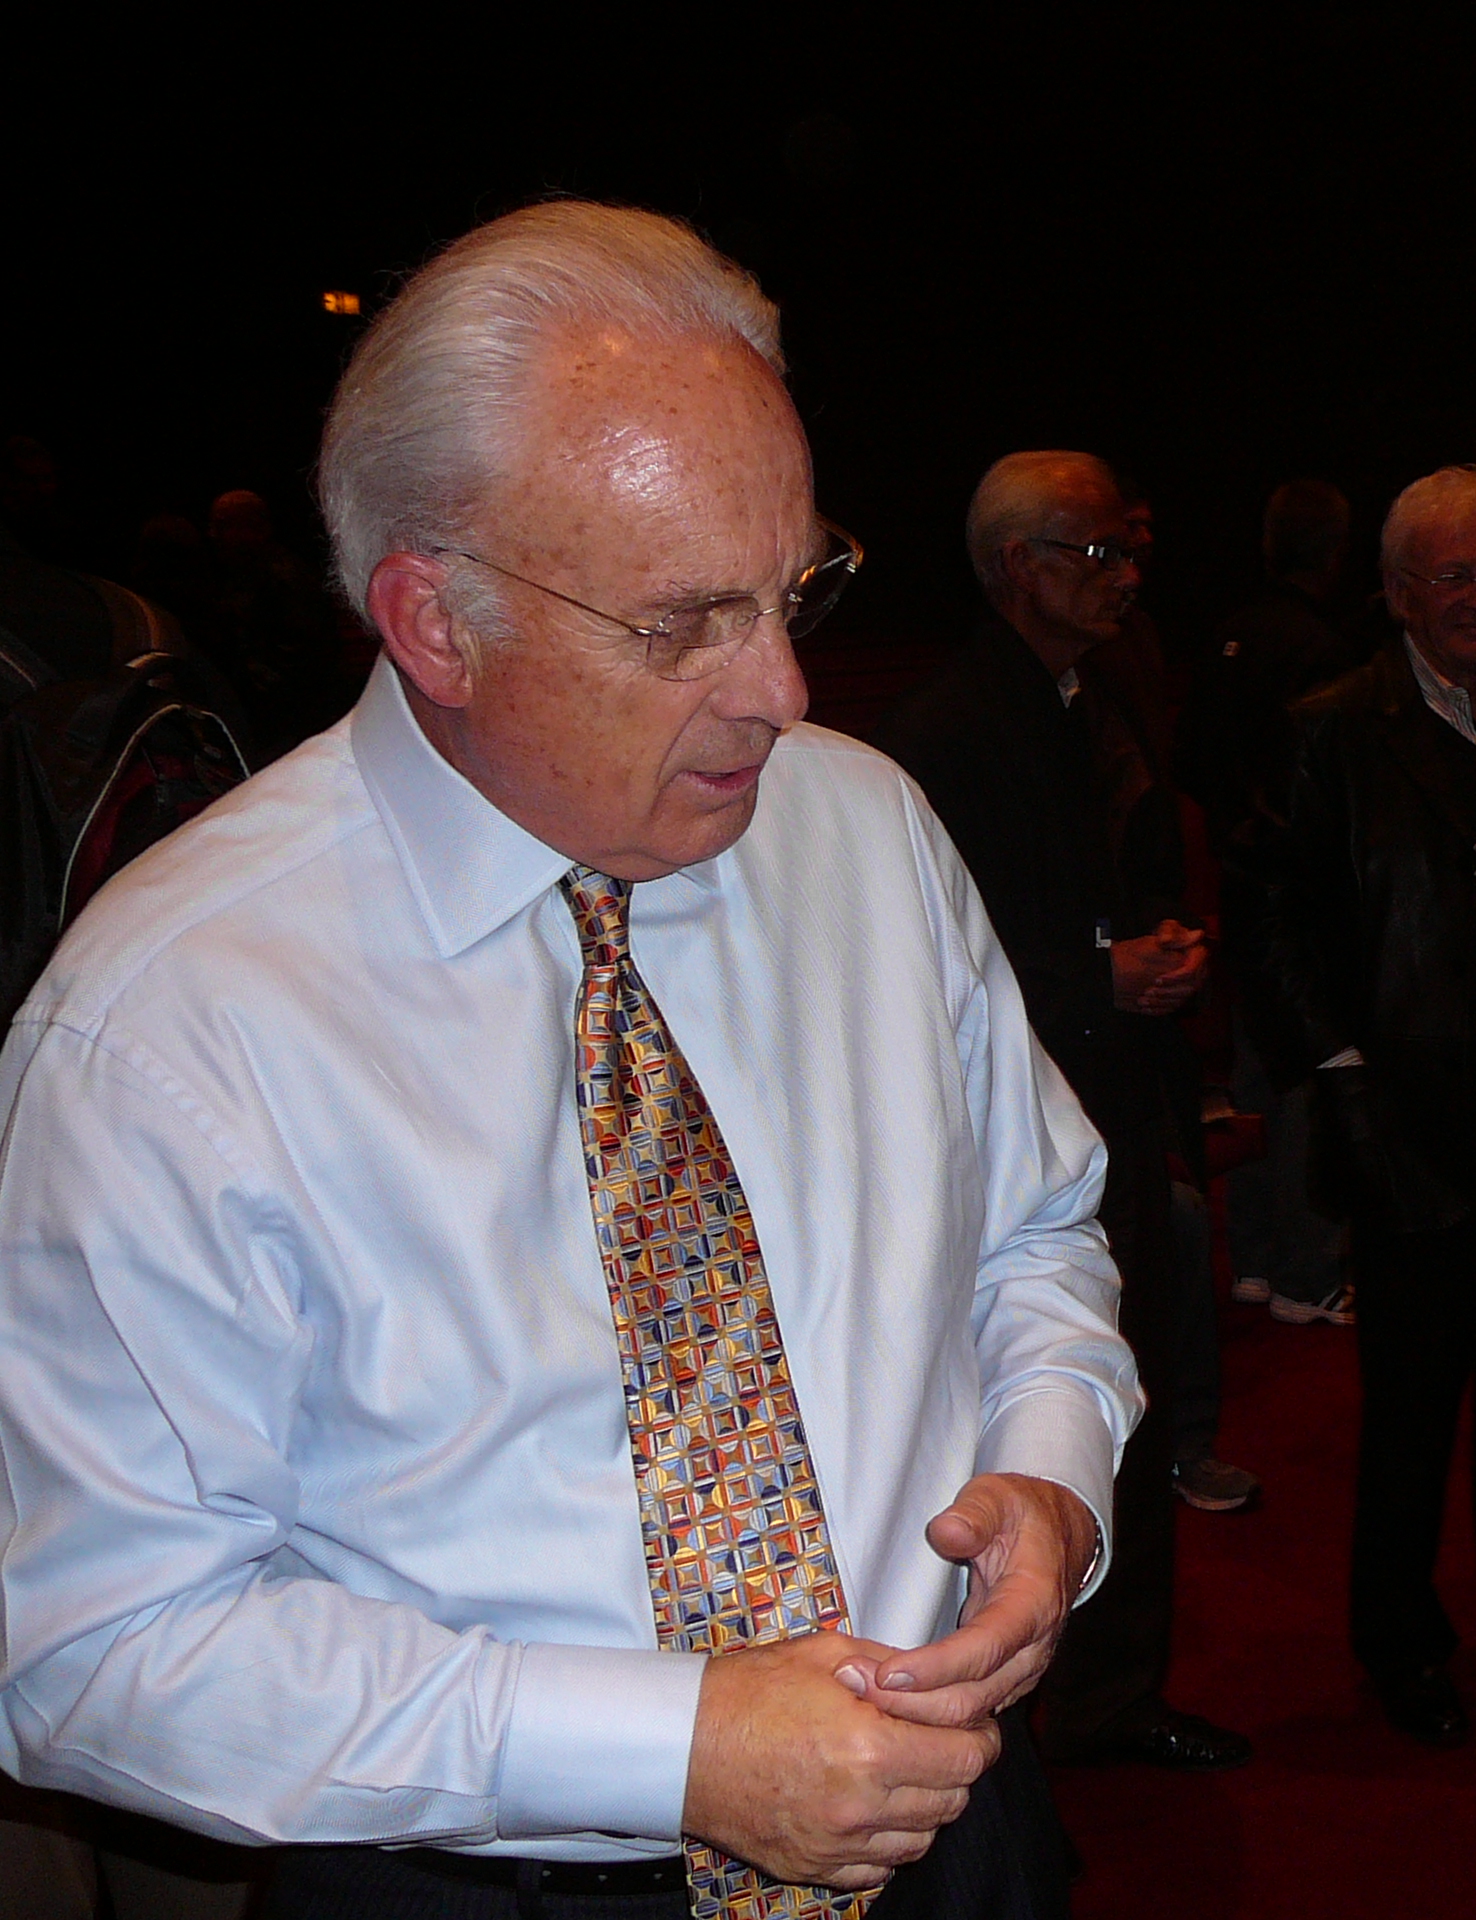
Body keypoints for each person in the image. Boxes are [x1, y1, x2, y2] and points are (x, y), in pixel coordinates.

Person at [0, 203, 1143, 1920]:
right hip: (491, 1881)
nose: (781, 688)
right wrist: (672, 1748)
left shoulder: (868, 831)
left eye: (796, 588)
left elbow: (1034, 1234)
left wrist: (1054, 1477)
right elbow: (95, 1647)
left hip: (956, 1828)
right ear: (435, 624)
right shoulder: (173, 1021)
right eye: (685, 622)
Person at [869, 451, 1253, 1771]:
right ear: (1015, 568)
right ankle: (1025, 1728)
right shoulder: (935, 735)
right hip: (1010, 1132)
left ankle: (1108, 1697)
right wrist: (1102, 975)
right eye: (1095, 552)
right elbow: (923, 976)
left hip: (1121, 1098)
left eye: (1127, 551)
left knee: (1121, 1400)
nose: (1124, 574)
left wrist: (1168, 949)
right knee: (1021, 1424)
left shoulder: (1106, 692)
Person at [1249, 464, 1476, 1747]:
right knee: (1409, 1404)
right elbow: (1276, 927)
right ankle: (1399, 1639)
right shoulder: (1331, 728)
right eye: (1453, 575)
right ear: (1399, 592)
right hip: (1404, 1107)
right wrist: (1342, 1080)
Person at [1182, 478, 1364, 1325]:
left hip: (1241, 881)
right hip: (1297, 895)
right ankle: (1305, 1271)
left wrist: (1234, 832)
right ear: (1338, 554)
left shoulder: (1233, 633)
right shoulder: (1321, 649)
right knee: (1307, 1081)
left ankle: (1254, 1259)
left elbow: (1190, 757)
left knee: (1260, 1074)